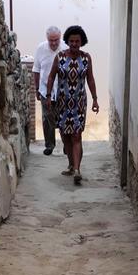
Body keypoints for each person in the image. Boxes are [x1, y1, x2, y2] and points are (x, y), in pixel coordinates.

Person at [45, 25, 99, 184]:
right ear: (67, 41)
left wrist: (95, 98)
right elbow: (51, 77)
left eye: (77, 41)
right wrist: (48, 96)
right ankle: (71, 164)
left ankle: (77, 169)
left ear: (82, 41)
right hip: (62, 102)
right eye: (72, 41)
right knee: (65, 136)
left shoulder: (86, 58)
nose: (74, 44)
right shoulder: (60, 57)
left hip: (79, 103)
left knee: (76, 135)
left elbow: (90, 79)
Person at [32, 26, 62, 155]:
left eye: (56, 40)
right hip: (45, 89)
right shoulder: (41, 49)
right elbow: (36, 70)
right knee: (47, 117)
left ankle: (67, 145)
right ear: (47, 39)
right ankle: (49, 145)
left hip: (62, 90)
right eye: (51, 40)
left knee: (64, 117)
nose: (54, 43)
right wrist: (37, 89)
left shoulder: (66, 48)